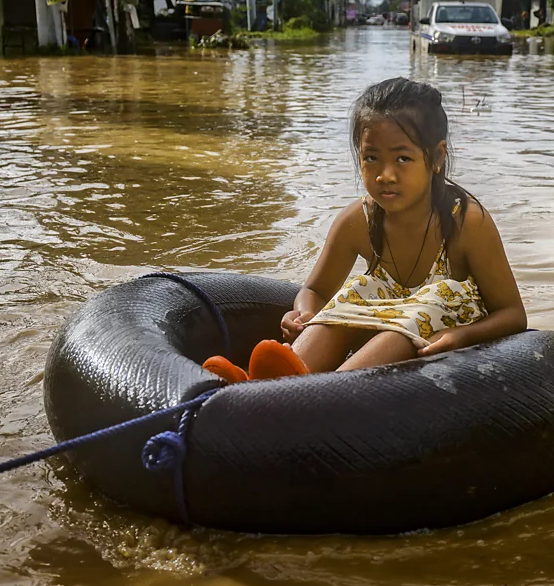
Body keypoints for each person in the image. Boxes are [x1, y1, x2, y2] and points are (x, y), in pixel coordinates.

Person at [203, 77, 527, 383]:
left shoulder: (466, 222)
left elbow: (512, 314)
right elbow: (315, 290)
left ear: (437, 157)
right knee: (355, 294)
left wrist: (460, 337)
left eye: (402, 158)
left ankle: (312, 395)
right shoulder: (358, 220)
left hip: (433, 333)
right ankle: (266, 385)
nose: (385, 174)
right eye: (371, 157)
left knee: (432, 299)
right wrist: (303, 314)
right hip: (377, 332)